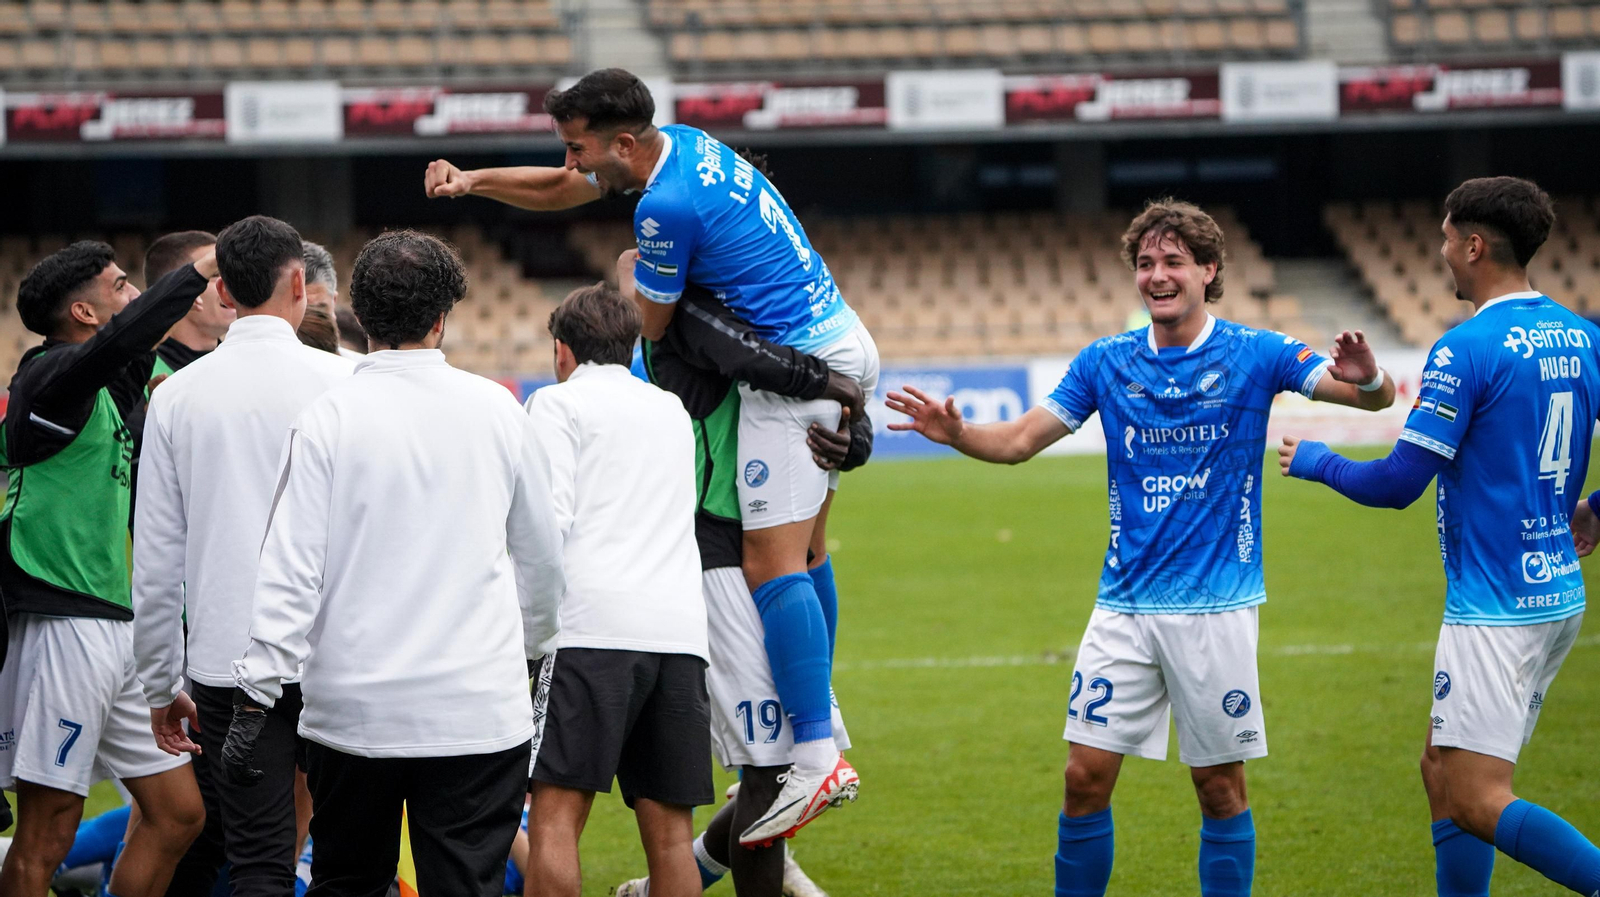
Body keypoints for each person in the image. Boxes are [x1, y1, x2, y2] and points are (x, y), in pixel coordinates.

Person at [886, 199, 1398, 897]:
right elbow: (1014, 443)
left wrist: (1368, 376)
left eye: (1174, 262)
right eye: (1147, 263)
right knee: (1082, 777)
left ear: (1208, 270)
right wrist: (958, 434)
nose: (1158, 275)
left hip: (1215, 607)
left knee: (1219, 787)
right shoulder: (1105, 361)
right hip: (1123, 605)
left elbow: (1370, 400)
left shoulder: (1258, 352)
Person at [424, 70, 871, 843]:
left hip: (789, 386)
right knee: (810, 548)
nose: (571, 162)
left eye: (578, 148)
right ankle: (813, 722)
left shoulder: (664, 213)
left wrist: (638, 278)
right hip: (833, 342)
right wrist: (474, 181)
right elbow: (573, 188)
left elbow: (656, 326)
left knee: (775, 563)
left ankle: (817, 748)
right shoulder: (687, 147)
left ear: (621, 143)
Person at [1281, 177, 1600, 897]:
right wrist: (1598, 508)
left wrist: (1318, 461)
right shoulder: (1584, 336)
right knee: (1440, 767)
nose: (1442, 253)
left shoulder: (1465, 350)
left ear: (1475, 245)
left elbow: (1398, 483)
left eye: (1447, 239)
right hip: (1556, 592)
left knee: (1477, 797)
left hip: (1495, 608)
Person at [226, 230, 565, 897]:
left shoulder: (328, 417)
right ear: (441, 318)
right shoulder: (499, 409)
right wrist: (530, 651)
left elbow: (289, 570)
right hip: (475, 710)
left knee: (349, 881)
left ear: (363, 312)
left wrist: (256, 695)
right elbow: (543, 560)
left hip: (354, 717)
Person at [611, 279, 863, 897]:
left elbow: (819, 399)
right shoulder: (681, 327)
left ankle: (681, 875)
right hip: (716, 549)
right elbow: (630, 266)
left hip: (774, 551)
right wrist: (830, 383)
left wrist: (854, 436)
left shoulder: (754, 316)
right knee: (773, 767)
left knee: (798, 768)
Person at [133, 215, 355, 897]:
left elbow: (156, 557)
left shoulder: (176, 396)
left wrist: (158, 681)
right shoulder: (347, 381)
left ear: (223, 290)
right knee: (351, 858)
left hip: (227, 660)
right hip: (341, 652)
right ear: (299, 282)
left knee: (259, 859)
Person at [0, 241, 214, 897]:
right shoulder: (48, 379)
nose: (134, 296)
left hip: (115, 629)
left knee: (180, 814)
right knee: (47, 830)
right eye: (123, 285)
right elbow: (124, 340)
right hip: (63, 624)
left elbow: (138, 352)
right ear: (86, 311)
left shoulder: (107, 396)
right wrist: (203, 269)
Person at [519, 283, 708, 897]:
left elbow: (548, 526)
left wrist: (531, 634)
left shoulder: (556, 405)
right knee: (672, 837)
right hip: (678, 635)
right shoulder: (672, 409)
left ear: (562, 349)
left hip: (589, 632)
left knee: (554, 822)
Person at [144, 231, 234, 382]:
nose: (233, 284)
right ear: (176, 289)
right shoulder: (138, 378)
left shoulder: (245, 367)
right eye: (215, 274)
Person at [301, 241, 364, 361]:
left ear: (334, 301)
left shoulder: (357, 368)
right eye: (302, 309)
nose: (307, 319)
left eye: (319, 308)